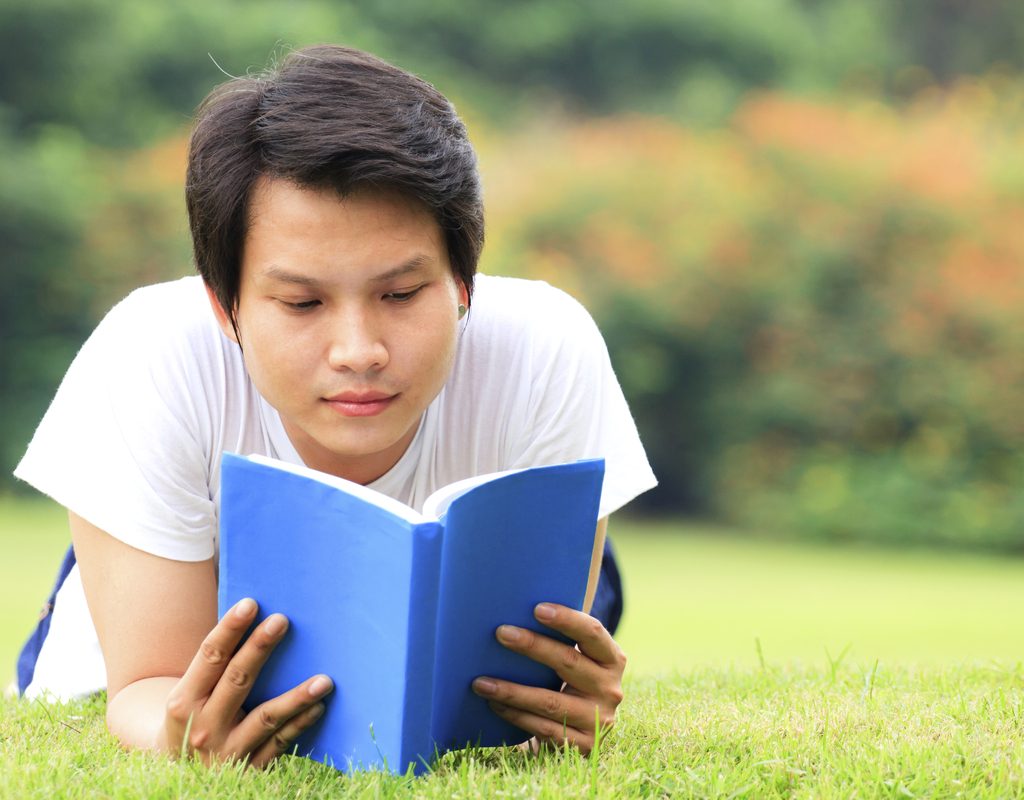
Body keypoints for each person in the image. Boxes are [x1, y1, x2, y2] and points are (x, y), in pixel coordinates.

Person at [13, 44, 656, 768]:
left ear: (464, 283)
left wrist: (567, 704)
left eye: (401, 294)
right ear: (226, 307)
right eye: (301, 302)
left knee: (592, 588)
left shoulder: (545, 343)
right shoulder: (151, 350)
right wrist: (183, 734)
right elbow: (142, 690)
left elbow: (547, 670)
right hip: (161, 589)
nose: (359, 350)